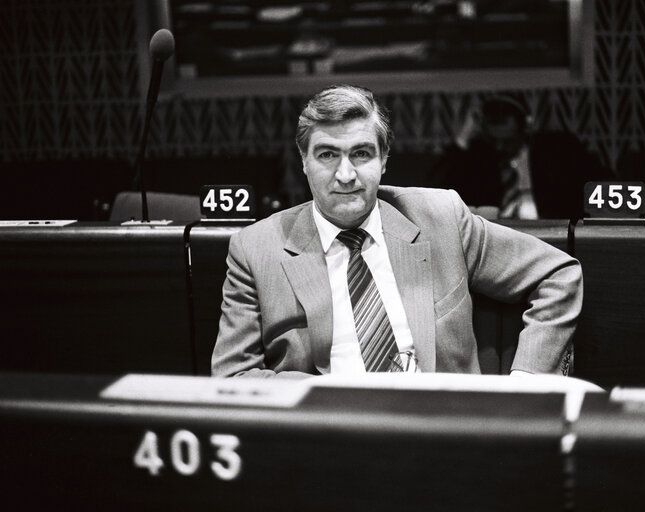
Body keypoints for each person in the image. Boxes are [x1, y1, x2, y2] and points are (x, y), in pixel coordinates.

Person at [211, 84, 583, 378]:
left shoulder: (439, 217)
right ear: (303, 161)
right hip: (328, 445)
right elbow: (233, 376)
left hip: (443, 437)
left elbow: (558, 274)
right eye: (327, 155)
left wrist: (529, 379)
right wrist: (329, 394)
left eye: (361, 154)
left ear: (384, 160)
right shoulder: (256, 249)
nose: (345, 175)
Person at [431, 96, 610, 220]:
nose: (500, 147)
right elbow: (434, 191)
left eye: (508, 141)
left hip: (549, 235)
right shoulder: (479, 157)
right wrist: (463, 137)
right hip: (497, 238)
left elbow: (596, 183)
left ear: (525, 128)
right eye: (494, 140)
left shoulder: (556, 149)